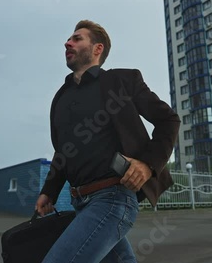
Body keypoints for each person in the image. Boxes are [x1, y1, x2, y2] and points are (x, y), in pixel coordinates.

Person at [35, 20, 181, 263]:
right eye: (69, 39)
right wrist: (48, 192)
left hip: (113, 198)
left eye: (77, 38)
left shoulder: (123, 81)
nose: (67, 42)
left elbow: (169, 120)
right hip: (80, 203)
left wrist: (147, 165)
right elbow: (63, 152)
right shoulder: (60, 98)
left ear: (97, 49)